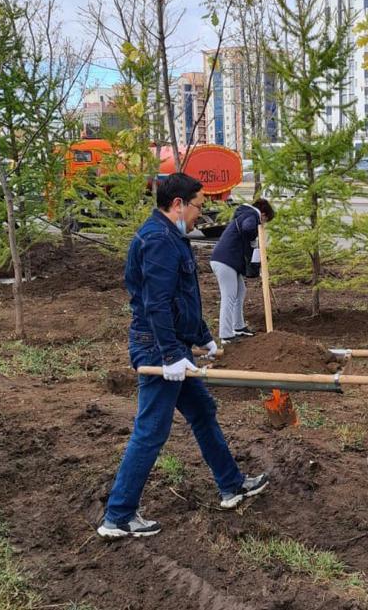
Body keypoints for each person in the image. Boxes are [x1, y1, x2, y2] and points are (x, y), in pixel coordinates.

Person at [98, 173, 268, 539]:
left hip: (172, 346)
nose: (199, 215)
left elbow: (179, 300)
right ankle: (119, 515)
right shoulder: (159, 240)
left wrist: (203, 338)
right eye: (198, 207)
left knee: (203, 411)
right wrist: (172, 355)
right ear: (177, 204)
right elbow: (156, 303)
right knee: (151, 431)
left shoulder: (169, 236)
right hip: (158, 349)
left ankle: (231, 484)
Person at [210, 198, 274, 344]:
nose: (263, 224)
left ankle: (238, 327)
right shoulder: (251, 216)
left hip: (227, 260)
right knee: (229, 296)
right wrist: (255, 232)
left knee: (240, 291)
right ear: (263, 214)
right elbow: (247, 228)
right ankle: (226, 335)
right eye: (265, 220)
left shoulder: (245, 214)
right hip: (225, 261)